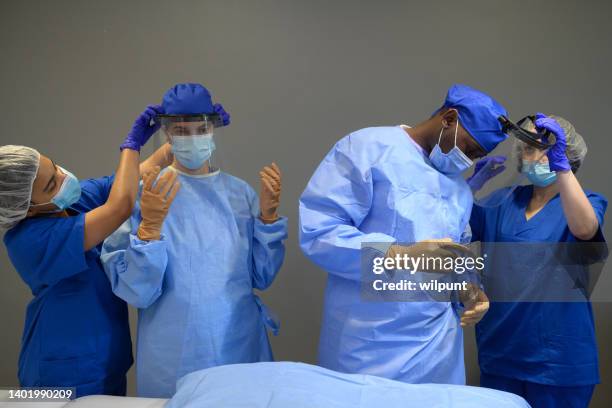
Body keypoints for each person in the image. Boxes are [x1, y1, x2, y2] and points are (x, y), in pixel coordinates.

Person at [298, 84, 507, 385]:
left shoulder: (459, 189)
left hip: (437, 347)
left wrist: (469, 292)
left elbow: (457, 256)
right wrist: (402, 254)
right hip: (371, 342)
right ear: (449, 118)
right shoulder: (369, 149)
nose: (467, 161)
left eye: (475, 156)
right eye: (468, 148)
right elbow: (319, 231)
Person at [101, 83, 288, 398]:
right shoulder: (144, 195)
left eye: (201, 128)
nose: (192, 138)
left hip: (239, 343)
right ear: (167, 135)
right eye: (182, 130)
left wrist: (268, 219)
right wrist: (150, 228)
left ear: (213, 131)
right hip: (174, 353)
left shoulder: (240, 194)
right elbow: (137, 291)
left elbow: (262, 277)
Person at [0, 105, 173, 397]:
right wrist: (131, 144)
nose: (64, 176)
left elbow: (132, 178)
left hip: (105, 360)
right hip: (57, 372)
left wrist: (175, 142)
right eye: (53, 183)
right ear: (26, 208)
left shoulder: (68, 205)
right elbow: (119, 207)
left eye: (54, 165)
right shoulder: (28, 240)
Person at [469, 114, 607, 408]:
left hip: (558, 361)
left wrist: (562, 169)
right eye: (531, 148)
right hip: (501, 352)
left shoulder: (589, 201)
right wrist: (467, 188)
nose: (539, 155)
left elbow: (584, 229)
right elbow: (453, 225)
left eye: (550, 148)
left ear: (567, 155)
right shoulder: (502, 201)